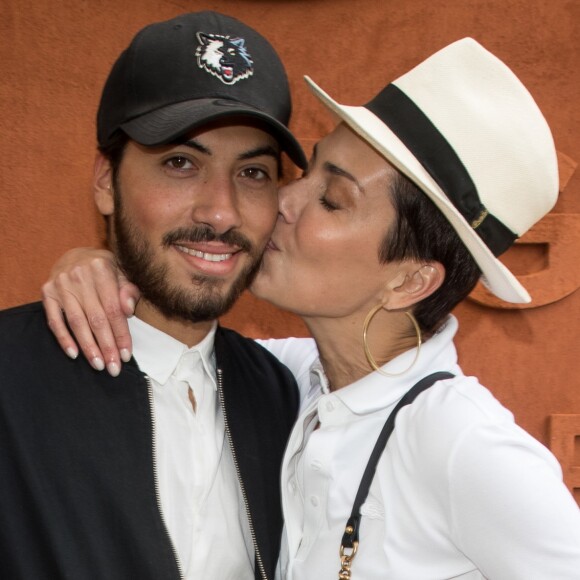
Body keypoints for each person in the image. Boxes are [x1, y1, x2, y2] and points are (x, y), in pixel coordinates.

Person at [42, 39, 580, 578]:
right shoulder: (294, 379)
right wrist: (96, 265)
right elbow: (178, 344)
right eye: (309, 172)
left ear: (411, 280)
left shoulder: (464, 442)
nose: (285, 201)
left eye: (332, 200)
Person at [0, 11, 309, 580]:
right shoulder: (10, 378)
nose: (220, 212)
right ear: (104, 182)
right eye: (180, 163)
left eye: (253, 173)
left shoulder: (283, 394)